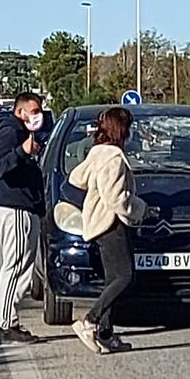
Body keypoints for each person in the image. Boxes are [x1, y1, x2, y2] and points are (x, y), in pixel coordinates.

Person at [66, 106, 145, 355]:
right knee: (125, 276)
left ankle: (106, 333)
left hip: (96, 222)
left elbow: (76, 177)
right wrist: (142, 209)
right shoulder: (113, 158)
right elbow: (116, 198)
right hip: (110, 222)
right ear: (122, 130)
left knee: (113, 278)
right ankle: (90, 320)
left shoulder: (97, 153)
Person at [0, 91, 48, 345]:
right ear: (20, 111)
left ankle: (8, 321)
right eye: (34, 111)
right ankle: (6, 324)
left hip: (22, 208)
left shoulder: (22, 133)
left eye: (40, 111)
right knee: (15, 267)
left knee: (21, 266)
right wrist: (23, 152)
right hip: (15, 210)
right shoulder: (11, 133)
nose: (38, 116)